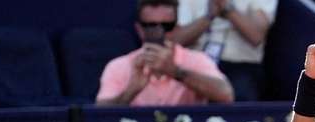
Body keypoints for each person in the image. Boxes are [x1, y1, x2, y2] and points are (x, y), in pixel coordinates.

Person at [96, 0, 234, 107]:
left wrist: (175, 71)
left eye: (166, 26)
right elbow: (98, 115)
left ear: (177, 27)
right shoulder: (119, 65)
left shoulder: (196, 60)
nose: (159, 32)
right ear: (139, 29)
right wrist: (131, 91)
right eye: (150, 26)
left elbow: (226, 95)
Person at [171, 0, 276, 101]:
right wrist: (208, 17)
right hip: (196, 62)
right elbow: (175, 40)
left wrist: (228, 10)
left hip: (239, 64)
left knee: (240, 93)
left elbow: (256, 36)